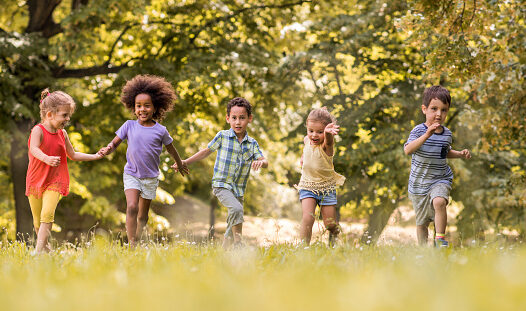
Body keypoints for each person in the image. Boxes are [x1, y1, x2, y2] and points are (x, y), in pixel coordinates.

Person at [99, 75, 188, 247]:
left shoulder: (161, 131)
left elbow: (171, 148)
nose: (142, 109)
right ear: (133, 107)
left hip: (150, 177)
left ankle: (138, 237)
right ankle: (132, 244)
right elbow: (114, 143)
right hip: (131, 173)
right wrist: (107, 149)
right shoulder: (129, 126)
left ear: (155, 107)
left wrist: (180, 162)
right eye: (138, 106)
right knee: (132, 206)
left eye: (147, 106)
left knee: (142, 215)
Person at [172, 97, 268, 246]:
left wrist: (260, 162)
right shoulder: (222, 136)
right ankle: (238, 243)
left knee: (233, 219)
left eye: (242, 118)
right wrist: (184, 162)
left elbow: (265, 161)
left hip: (239, 189)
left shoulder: (252, 143)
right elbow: (206, 152)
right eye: (234, 118)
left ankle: (225, 252)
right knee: (236, 209)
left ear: (249, 119)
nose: (238, 122)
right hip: (221, 185)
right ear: (227, 118)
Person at [26, 89, 104, 253]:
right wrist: (47, 158)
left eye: (68, 115)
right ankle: (47, 251)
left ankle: (38, 251)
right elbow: (33, 149)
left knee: (47, 213)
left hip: (55, 180)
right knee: (37, 222)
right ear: (49, 115)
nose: (68, 119)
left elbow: (73, 154)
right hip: (35, 179)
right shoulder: (38, 130)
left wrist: (95, 156)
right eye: (64, 115)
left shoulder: (63, 134)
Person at [404, 85, 471, 247]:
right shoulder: (418, 130)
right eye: (434, 109)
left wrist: (459, 154)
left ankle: (440, 239)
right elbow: (408, 150)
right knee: (422, 224)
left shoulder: (447, 134)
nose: (439, 114)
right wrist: (427, 135)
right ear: (424, 109)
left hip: (440, 179)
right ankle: (423, 251)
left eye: (444, 110)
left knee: (440, 202)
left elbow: (444, 153)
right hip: (419, 184)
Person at [296, 107, 345, 246]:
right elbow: (307, 147)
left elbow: (328, 141)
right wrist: (302, 157)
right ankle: (303, 248)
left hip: (326, 188)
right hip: (308, 186)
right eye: (311, 130)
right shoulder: (307, 140)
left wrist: (329, 134)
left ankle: (336, 237)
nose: (314, 135)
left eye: (320, 132)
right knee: (308, 217)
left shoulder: (326, 147)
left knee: (329, 224)